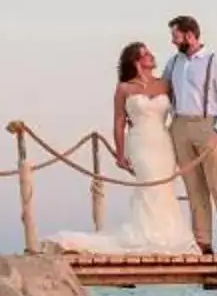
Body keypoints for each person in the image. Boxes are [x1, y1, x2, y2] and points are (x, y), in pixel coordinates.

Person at [48, 42, 197, 255]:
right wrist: (120, 153)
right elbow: (119, 121)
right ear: (136, 61)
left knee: (164, 188)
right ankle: (148, 234)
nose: (151, 56)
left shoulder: (165, 84)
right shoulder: (124, 88)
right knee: (148, 185)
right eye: (145, 54)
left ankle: (167, 234)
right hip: (140, 142)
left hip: (163, 142)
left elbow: (180, 110)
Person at [161, 14, 217, 253]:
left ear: (189, 35)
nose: (173, 41)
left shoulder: (213, 61)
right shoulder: (173, 63)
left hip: (207, 124)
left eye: (176, 35)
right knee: (193, 187)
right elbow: (163, 90)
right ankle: (203, 241)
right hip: (180, 125)